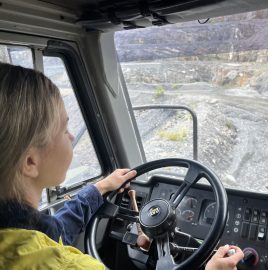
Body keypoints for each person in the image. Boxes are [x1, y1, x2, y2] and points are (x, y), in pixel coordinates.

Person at [0, 63, 244, 269]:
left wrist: (101, 188)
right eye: (64, 129)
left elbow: (55, 230)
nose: (72, 137)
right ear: (31, 162)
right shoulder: (67, 265)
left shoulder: (19, 234)